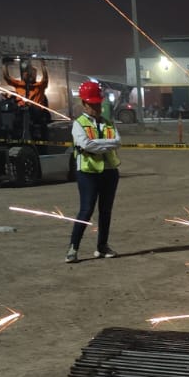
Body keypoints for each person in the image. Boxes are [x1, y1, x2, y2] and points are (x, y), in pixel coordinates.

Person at [66, 81, 122, 264]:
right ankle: (73, 248)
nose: (96, 108)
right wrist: (105, 144)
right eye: (92, 104)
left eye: (98, 104)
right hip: (87, 173)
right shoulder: (78, 124)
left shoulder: (108, 123)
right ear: (84, 104)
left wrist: (97, 146)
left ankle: (102, 247)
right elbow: (87, 145)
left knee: (105, 211)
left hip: (109, 172)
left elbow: (117, 142)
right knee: (86, 210)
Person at [3, 59, 49, 140]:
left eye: (32, 74)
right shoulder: (19, 85)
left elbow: (45, 78)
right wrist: (5, 65)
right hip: (20, 114)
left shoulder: (39, 86)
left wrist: (43, 65)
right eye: (27, 74)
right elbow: (7, 77)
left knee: (29, 108)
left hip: (36, 114)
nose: (29, 76)